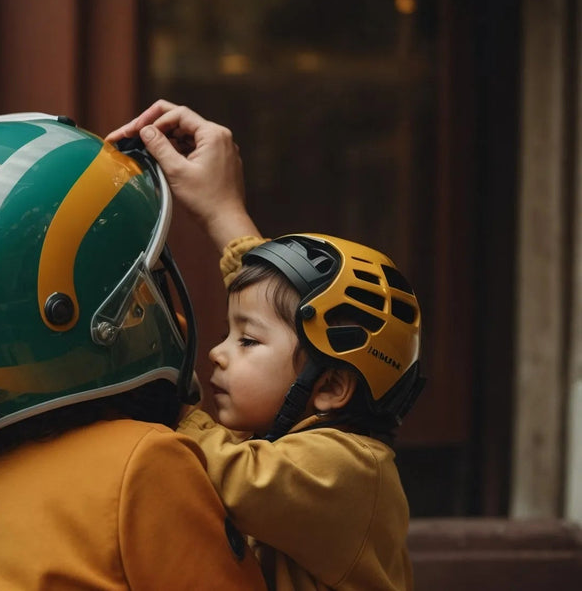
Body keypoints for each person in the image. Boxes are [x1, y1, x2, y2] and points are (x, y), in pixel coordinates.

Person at [0, 112, 266, 589]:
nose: (170, 318)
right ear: (67, 318)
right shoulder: (144, 465)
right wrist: (228, 217)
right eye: (138, 296)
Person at [111, 102, 425, 590]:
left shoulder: (350, 470)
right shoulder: (294, 439)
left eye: (248, 341)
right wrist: (221, 210)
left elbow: (231, 477)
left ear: (331, 386)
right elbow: (273, 305)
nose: (217, 353)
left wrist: (162, 389)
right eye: (228, 336)